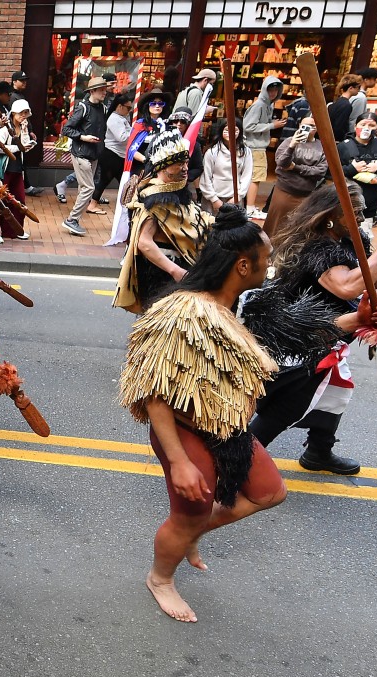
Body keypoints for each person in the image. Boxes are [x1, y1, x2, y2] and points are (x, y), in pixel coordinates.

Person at [119, 205, 289, 622]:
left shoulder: (233, 304)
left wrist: (358, 319)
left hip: (227, 429)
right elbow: (154, 393)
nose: (271, 267)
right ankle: (160, 578)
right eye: (267, 260)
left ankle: (192, 531)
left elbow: (296, 329)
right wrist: (178, 462)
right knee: (186, 515)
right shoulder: (181, 313)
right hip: (183, 433)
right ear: (243, 265)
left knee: (269, 493)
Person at [260, 183, 377, 474]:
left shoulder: (355, 240)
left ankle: (318, 452)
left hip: (333, 336)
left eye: (364, 211)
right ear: (331, 216)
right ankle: (238, 457)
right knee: (289, 404)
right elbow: (346, 286)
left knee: (336, 393)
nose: (362, 217)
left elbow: (373, 282)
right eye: (356, 212)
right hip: (301, 340)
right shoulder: (317, 247)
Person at [114, 130, 213, 312]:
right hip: (162, 275)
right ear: (162, 166)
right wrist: (176, 271)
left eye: (186, 162)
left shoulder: (177, 190)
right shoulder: (153, 198)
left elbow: (193, 218)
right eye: (178, 164)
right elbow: (144, 243)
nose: (185, 168)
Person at [60, 76, 108, 237]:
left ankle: (75, 221)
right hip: (81, 154)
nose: (104, 92)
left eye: (105, 89)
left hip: (94, 154)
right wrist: (83, 137)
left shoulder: (103, 108)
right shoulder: (83, 108)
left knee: (84, 188)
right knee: (89, 188)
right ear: (92, 91)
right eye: (101, 90)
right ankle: (72, 219)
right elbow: (66, 129)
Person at [264, 115, 327, 239]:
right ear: (299, 126)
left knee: (296, 227)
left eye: (313, 126)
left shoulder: (321, 147)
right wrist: (292, 146)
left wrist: (295, 167)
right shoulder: (289, 141)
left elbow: (320, 172)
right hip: (284, 190)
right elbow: (282, 163)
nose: (309, 128)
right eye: (306, 125)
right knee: (275, 225)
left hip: (306, 194)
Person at [0, 99, 35, 243]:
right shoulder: (5, 129)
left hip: (17, 170)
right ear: (13, 113)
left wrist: (25, 136)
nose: (24, 116)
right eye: (21, 113)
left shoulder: (23, 127)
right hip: (3, 170)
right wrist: (18, 148)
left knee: (19, 200)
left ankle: (13, 230)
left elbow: (24, 145)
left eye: (26, 113)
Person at [340, 111, 377, 226]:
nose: (366, 128)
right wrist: (352, 169)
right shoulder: (343, 146)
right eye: (363, 124)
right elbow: (330, 173)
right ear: (355, 126)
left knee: (364, 236)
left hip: (369, 204)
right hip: (344, 202)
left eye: (371, 125)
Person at [241, 76, 285, 218]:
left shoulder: (267, 104)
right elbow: (248, 126)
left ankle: (247, 206)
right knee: (256, 177)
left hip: (256, 145)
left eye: (275, 90)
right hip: (255, 147)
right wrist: (272, 125)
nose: (273, 93)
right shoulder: (260, 105)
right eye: (270, 90)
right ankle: (250, 207)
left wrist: (271, 123)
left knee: (252, 177)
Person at [92, 93, 132, 215]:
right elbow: (122, 137)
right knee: (106, 180)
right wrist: (134, 134)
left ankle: (127, 205)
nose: (129, 111)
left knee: (120, 182)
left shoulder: (121, 118)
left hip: (118, 155)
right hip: (112, 155)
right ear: (120, 106)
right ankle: (93, 204)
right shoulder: (114, 119)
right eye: (128, 108)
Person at [200, 120, 252, 210]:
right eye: (227, 130)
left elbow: (247, 176)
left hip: (235, 198)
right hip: (213, 198)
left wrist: (237, 197)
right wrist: (214, 199)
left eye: (235, 130)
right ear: (221, 131)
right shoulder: (212, 152)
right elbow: (206, 177)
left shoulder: (246, 152)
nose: (231, 133)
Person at [327, 74, 361, 141]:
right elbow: (340, 126)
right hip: (336, 140)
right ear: (351, 88)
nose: (358, 90)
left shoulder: (337, 102)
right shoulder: (346, 105)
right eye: (358, 87)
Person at [348, 68, 377, 134]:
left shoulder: (357, 95)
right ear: (366, 80)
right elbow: (354, 119)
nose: (375, 81)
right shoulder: (360, 97)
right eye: (374, 79)